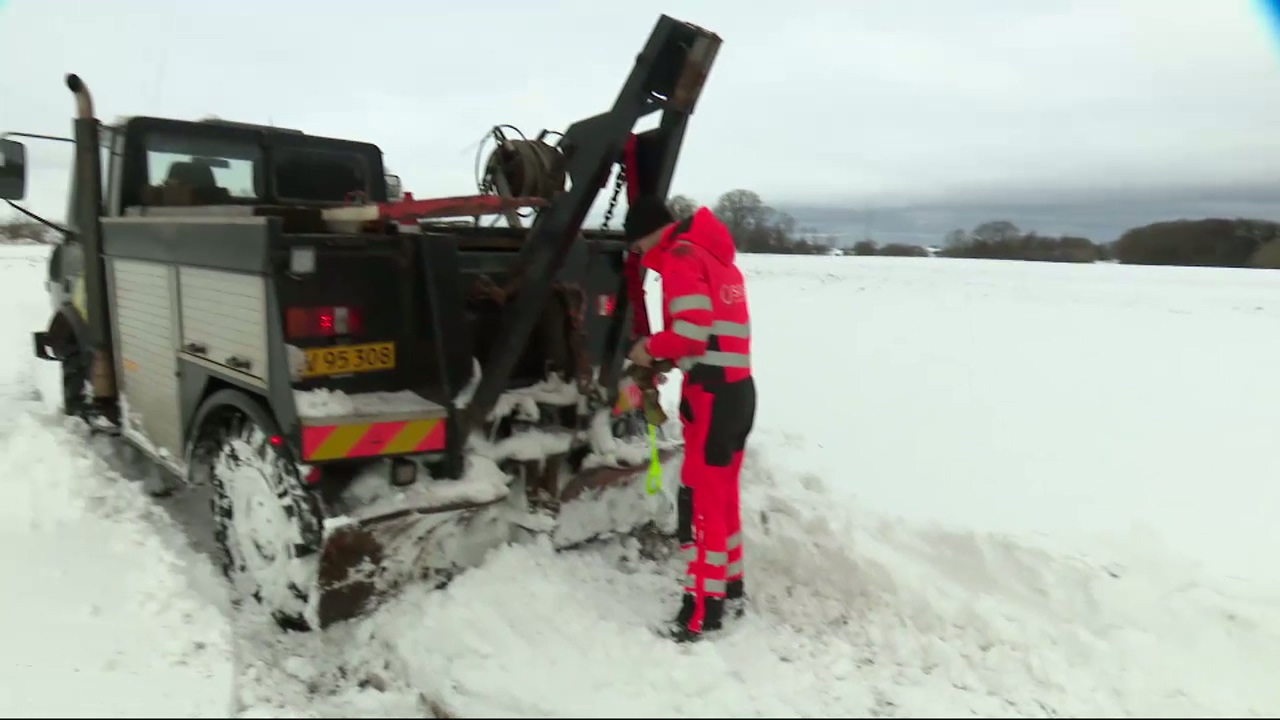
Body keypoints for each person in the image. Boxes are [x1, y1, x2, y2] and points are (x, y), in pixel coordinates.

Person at [623, 196, 757, 643]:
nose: (640, 257)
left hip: (712, 396)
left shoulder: (680, 257)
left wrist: (649, 350)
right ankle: (730, 586)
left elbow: (692, 333)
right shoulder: (715, 255)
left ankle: (700, 611)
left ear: (648, 234)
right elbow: (711, 333)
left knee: (702, 504)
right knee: (724, 498)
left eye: (637, 247)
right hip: (738, 391)